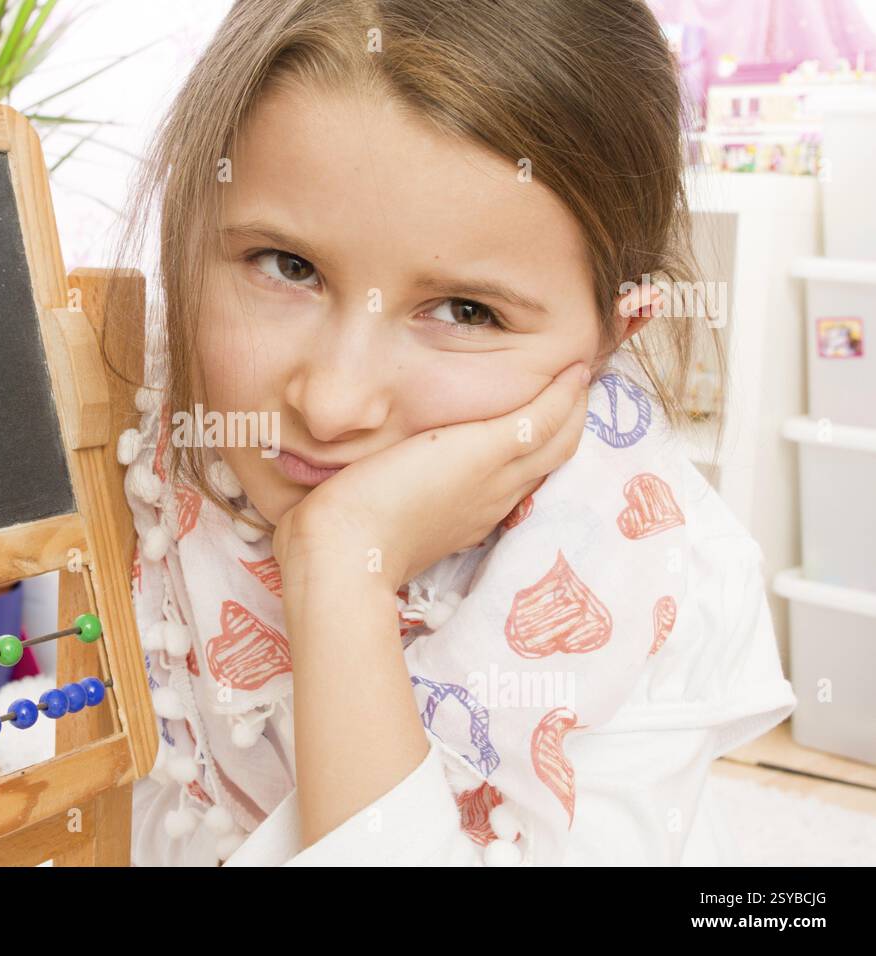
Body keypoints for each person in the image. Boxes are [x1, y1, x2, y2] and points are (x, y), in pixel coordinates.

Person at [105, 0, 796, 865]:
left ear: (617, 331)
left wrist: (340, 569)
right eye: (288, 266)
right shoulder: (142, 465)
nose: (332, 402)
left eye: (466, 311)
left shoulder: (654, 579)